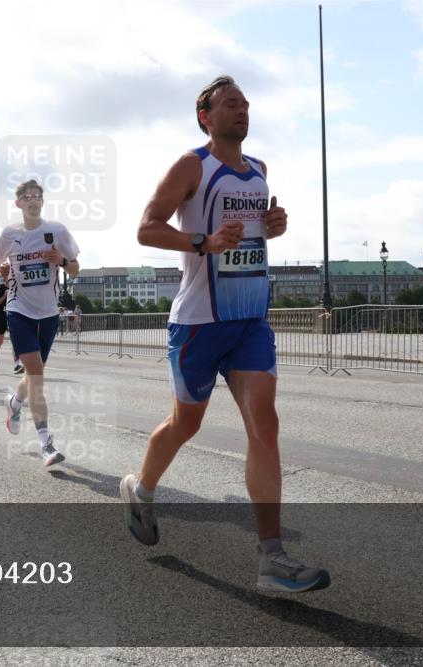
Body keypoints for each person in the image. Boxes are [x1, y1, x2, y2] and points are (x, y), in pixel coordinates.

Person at [119, 75, 330, 593]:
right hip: (198, 323)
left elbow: (256, 234)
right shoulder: (192, 165)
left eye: (246, 103)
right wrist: (203, 241)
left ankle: (272, 559)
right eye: (230, 103)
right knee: (184, 424)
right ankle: (141, 490)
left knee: (266, 425)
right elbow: (146, 227)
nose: (242, 109)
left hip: (250, 320)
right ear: (205, 117)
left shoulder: (259, 171)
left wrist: (272, 225)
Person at [0, 178, 80, 467]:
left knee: (33, 375)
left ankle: (14, 403)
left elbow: (77, 269)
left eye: (37, 195)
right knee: (38, 377)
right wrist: (0, 269)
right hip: (19, 311)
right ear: (18, 203)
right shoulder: (10, 234)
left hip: (49, 313)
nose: (33, 199)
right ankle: (46, 444)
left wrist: (62, 261)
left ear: (42, 201)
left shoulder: (57, 231)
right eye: (27, 196)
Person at [0, 280, 20, 371]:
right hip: (1, 317)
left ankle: (16, 364)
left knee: (15, 341)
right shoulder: (0, 288)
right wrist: (4, 296)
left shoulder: (17, 287)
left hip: (13, 316)